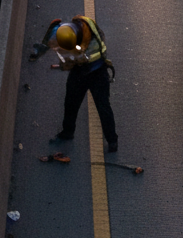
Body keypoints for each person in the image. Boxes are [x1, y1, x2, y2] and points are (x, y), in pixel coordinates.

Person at [31, 15, 119, 153]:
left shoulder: (92, 46)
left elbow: (72, 60)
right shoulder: (63, 30)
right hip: (79, 72)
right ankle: (68, 132)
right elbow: (51, 40)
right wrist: (41, 50)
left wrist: (68, 61)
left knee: (103, 107)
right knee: (71, 103)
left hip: (96, 72)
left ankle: (112, 140)